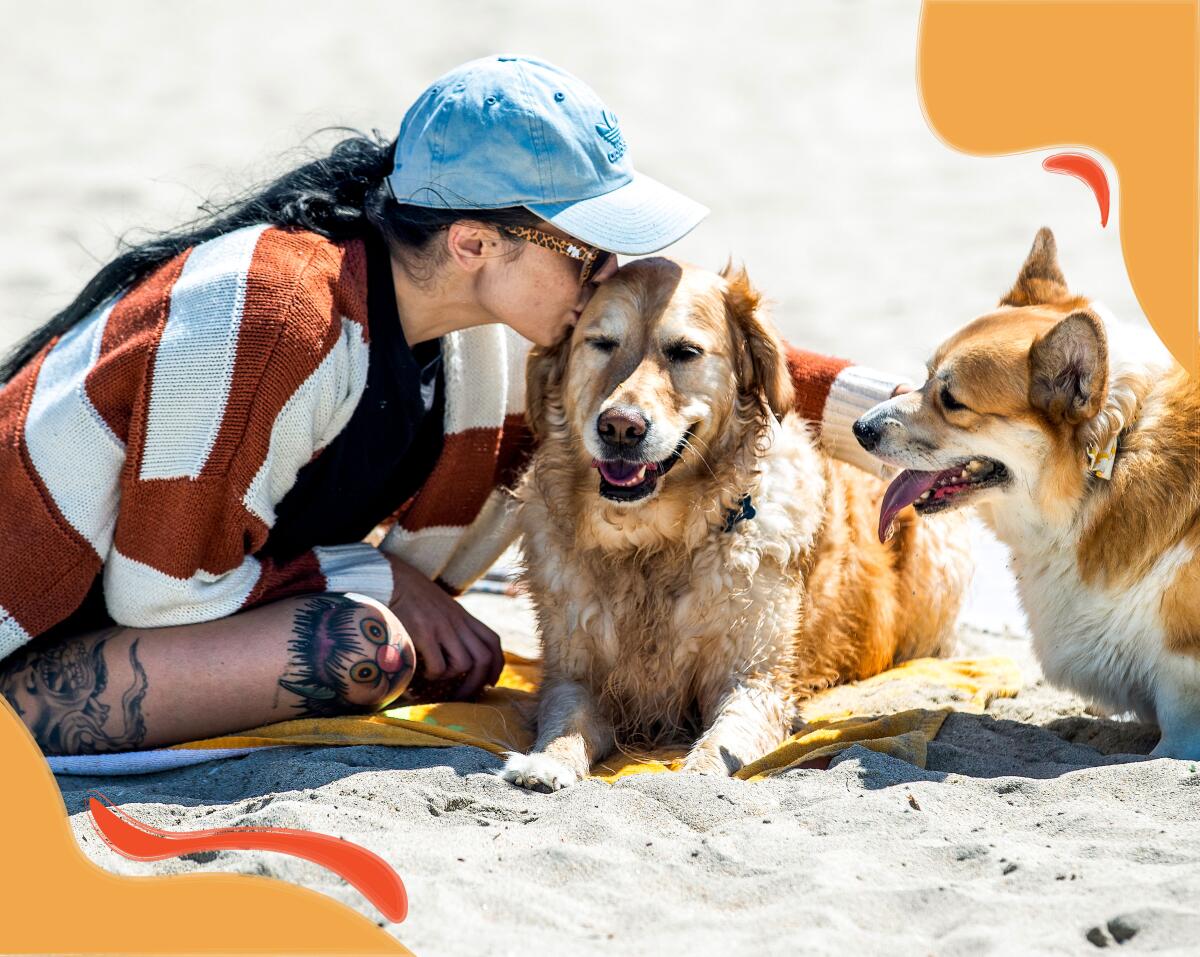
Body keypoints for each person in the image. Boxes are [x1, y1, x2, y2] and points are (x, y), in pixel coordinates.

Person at [0, 55, 905, 756]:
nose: (610, 277)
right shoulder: (273, 311)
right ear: (474, 241)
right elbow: (160, 590)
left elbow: (719, 352)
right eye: (587, 250)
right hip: (41, 625)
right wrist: (377, 574)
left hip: (145, 621)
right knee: (359, 650)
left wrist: (890, 412)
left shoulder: (486, 332)